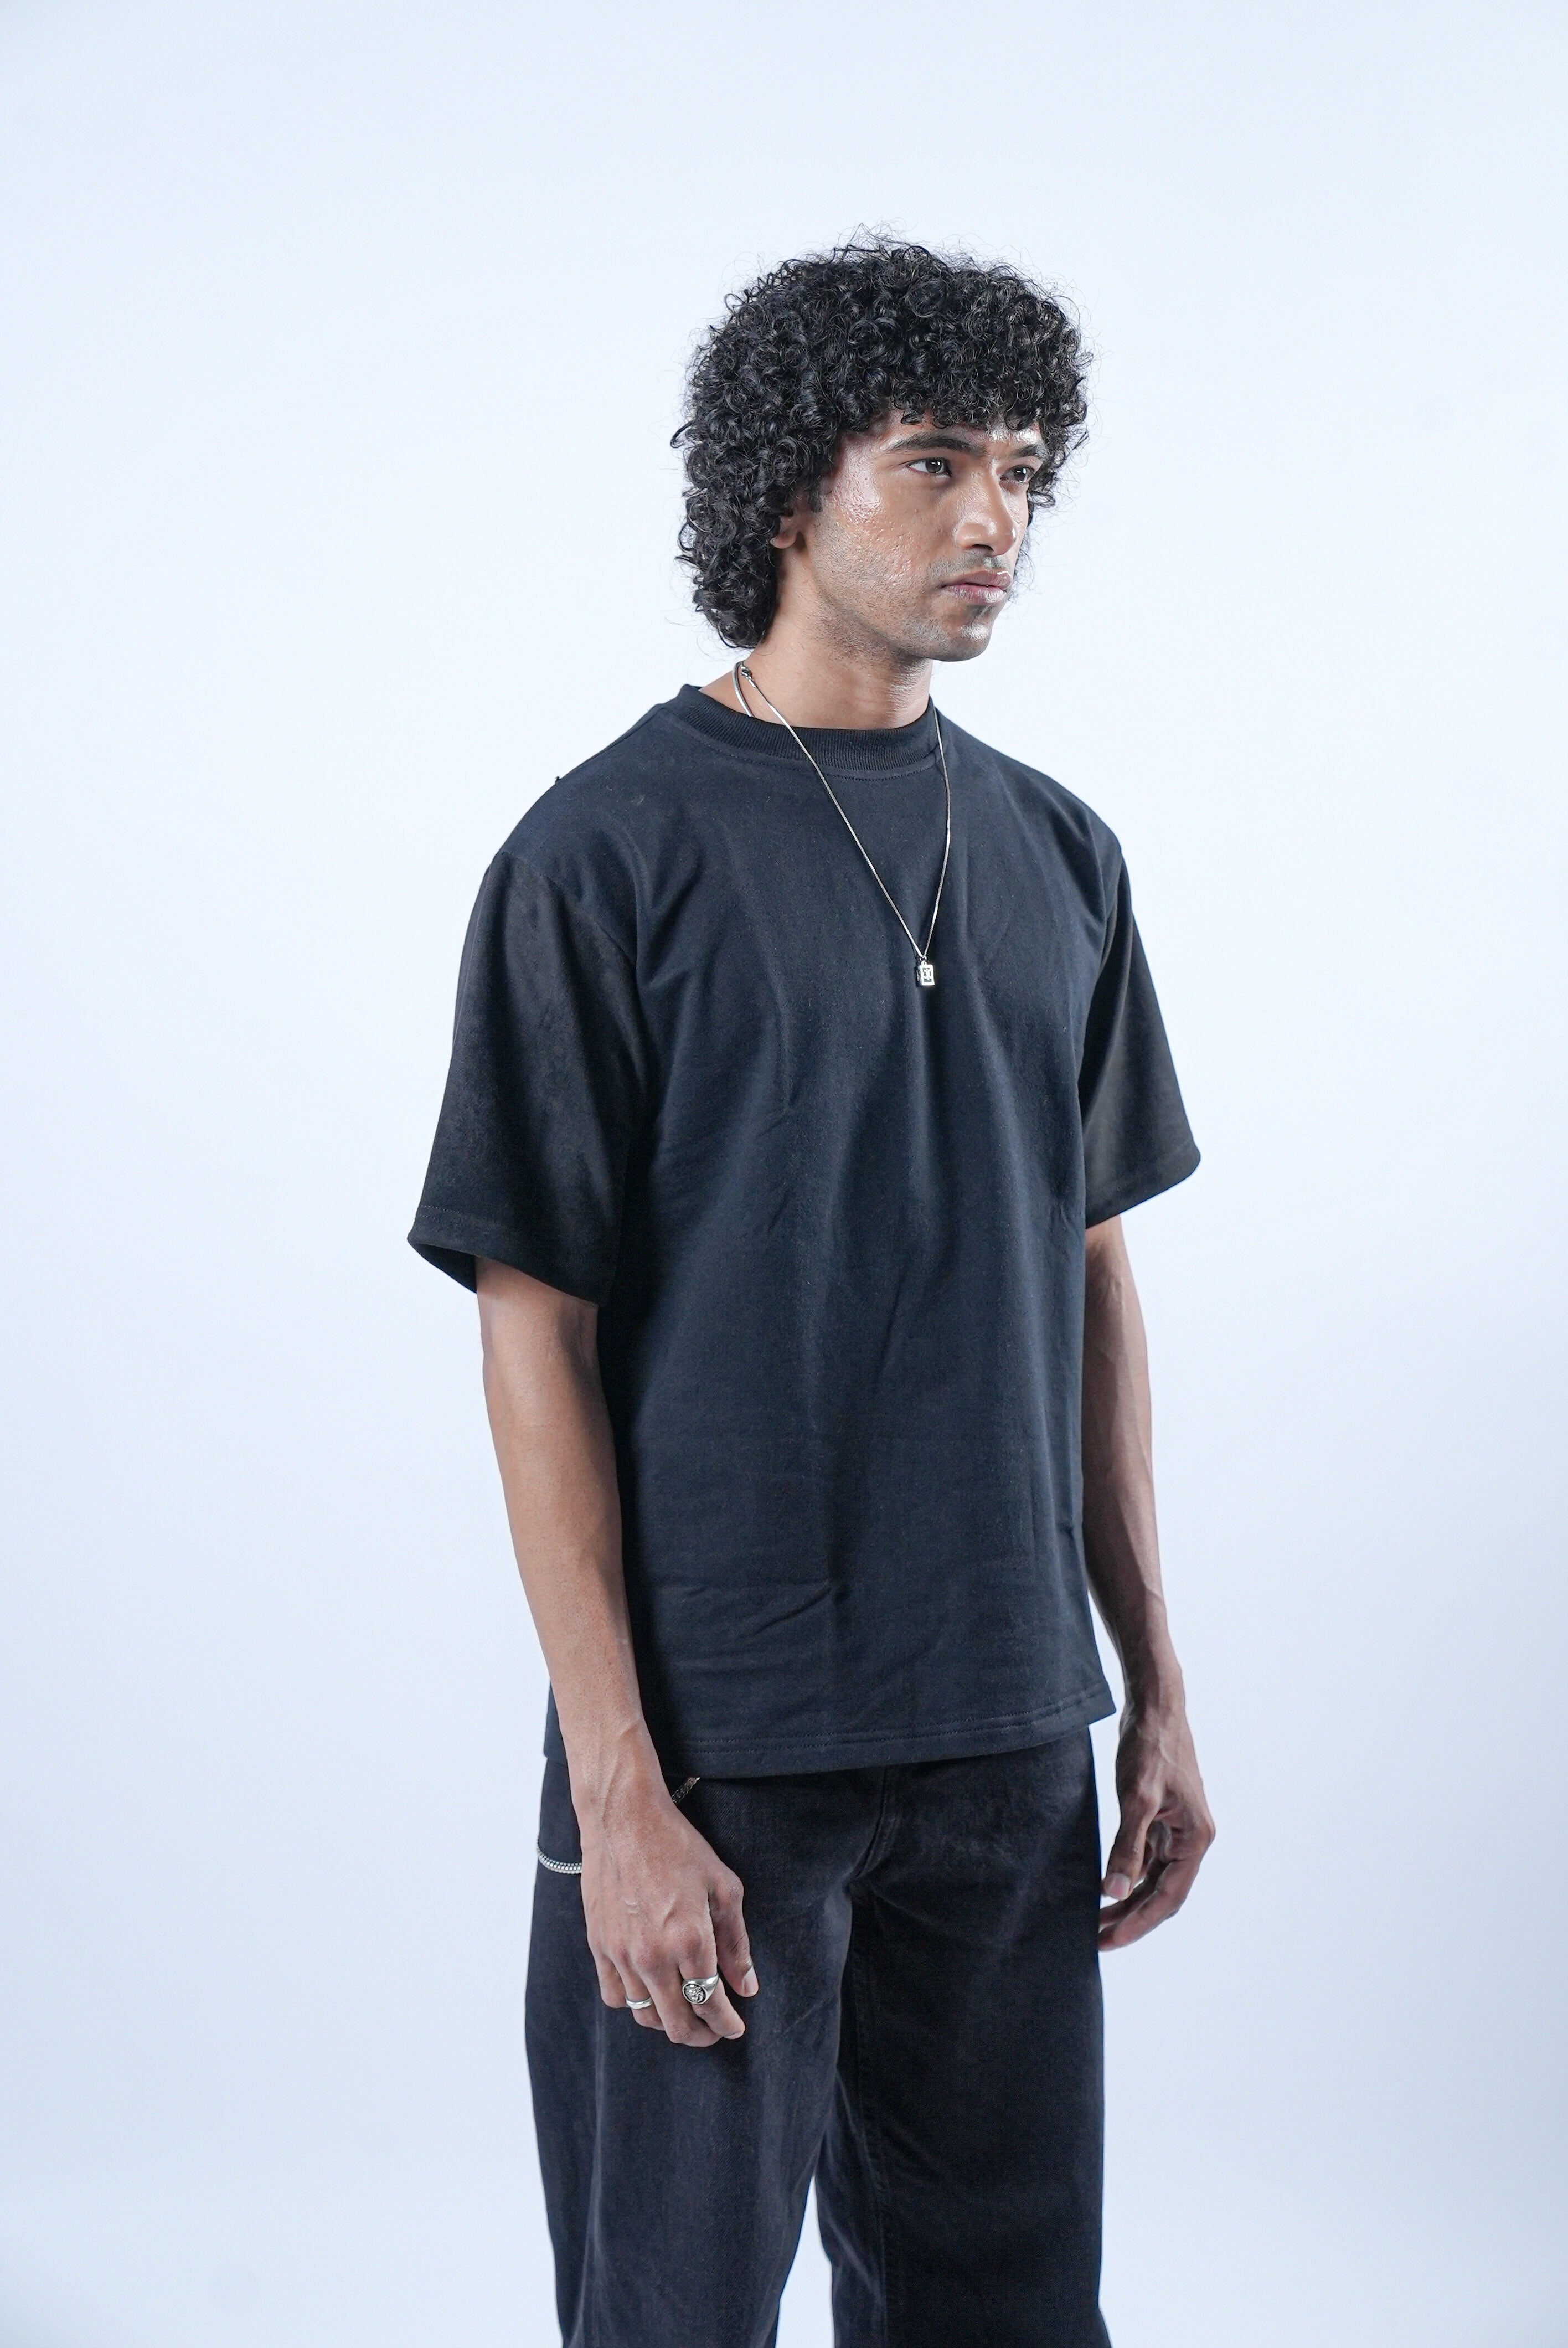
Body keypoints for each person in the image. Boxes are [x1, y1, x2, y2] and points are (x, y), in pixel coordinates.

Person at [410, 239, 1214, 2348]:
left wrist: (1153, 1681)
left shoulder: (1061, 853)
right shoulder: (602, 854)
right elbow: (531, 1324)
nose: (994, 519)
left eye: (1024, 471)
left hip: (1010, 1729)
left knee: (1010, 2314)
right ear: (787, 490)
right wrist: (617, 1783)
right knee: (672, 2312)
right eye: (935, 462)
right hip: (723, 1748)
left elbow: (1093, 1275)